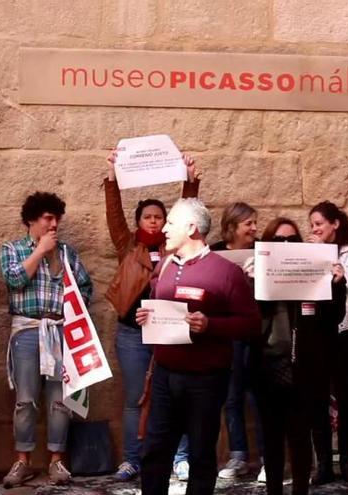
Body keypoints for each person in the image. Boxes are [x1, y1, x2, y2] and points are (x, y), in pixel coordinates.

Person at [137, 198, 261, 495]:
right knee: (154, 451)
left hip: (205, 380)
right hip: (165, 376)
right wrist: (146, 316)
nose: (164, 228)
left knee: (202, 455)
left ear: (191, 228)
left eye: (171, 223)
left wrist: (211, 325)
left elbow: (251, 324)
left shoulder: (226, 272)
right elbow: (159, 305)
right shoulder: (164, 266)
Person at [104, 151, 199, 482]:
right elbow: (114, 216)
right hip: (132, 334)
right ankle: (133, 459)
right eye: (148, 216)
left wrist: (189, 180)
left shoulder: (176, 246)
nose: (155, 220)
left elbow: (189, 212)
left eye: (160, 216)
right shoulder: (127, 246)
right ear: (139, 221)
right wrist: (113, 179)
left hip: (168, 331)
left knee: (178, 395)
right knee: (134, 398)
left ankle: (181, 458)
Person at [0, 192, 93, 488]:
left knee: (59, 400)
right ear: (31, 220)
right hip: (27, 331)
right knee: (25, 400)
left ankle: (56, 461)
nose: (54, 224)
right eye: (48, 218)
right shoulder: (12, 249)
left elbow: (86, 290)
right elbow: (14, 280)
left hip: (60, 331)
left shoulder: (67, 253)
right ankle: (23, 461)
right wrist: (40, 251)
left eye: (57, 219)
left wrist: (70, 306)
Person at [250, 217, 347, 495]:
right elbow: (251, 321)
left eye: (292, 240)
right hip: (268, 365)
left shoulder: (310, 273)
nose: (286, 245)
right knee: (271, 439)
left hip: (304, 368)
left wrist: (336, 285)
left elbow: (333, 318)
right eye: (279, 240)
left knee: (300, 438)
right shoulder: (258, 274)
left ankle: (301, 490)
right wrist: (253, 282)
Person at [307, 201, 348, 486]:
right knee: (317, 399)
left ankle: (347, 461)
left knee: (347, 399)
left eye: (319, 224)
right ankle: (324, 464)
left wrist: (335, 270)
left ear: (335, 224)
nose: (315, 229)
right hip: (318, 335)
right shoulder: (309, 251)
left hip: (346, 333)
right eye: (312, 225)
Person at [210, 202, 266, 482]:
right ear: (231, 227)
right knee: (231, 398)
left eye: (255, 223)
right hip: (228, 335)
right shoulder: (215, 253)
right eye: (248, 224)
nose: (254, 229)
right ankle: (238, 455)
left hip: (256, 335)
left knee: (258, 397)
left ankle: (268, 458)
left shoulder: (263, 252)